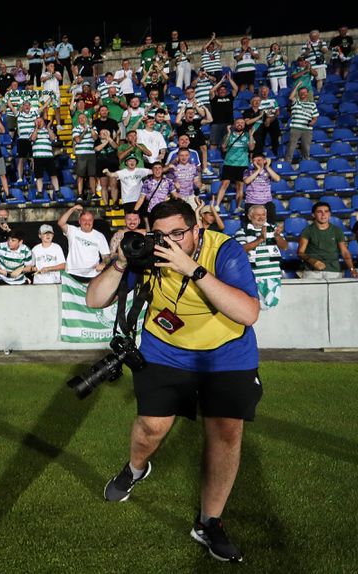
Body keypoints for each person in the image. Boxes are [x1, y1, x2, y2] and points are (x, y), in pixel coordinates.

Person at [88, 199, 261, 563]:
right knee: (151, 426)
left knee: (226, 432)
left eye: (178, 234)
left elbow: (247, 313)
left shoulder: (224, 250)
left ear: (196, 229)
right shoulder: (148, 253)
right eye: (160, 234)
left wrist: (192, 269)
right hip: (165, 348)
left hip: (225, 350)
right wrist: (121, 260)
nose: (169, 242)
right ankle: (135, 469)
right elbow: (95, 299)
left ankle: (209, 522)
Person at [234, 205, 287, 309]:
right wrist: (260, 239)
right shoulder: (242, 231)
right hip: (253, 276)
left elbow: (284, 246)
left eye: (263, 215)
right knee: (253, 307)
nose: (261, 217)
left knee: (271, 307)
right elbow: (242, 249)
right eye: (258, 215)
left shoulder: (273, 229)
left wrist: (277, 236)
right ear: (250, 216)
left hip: (273, 275)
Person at [298, 202, 358, 280]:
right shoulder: (307, 231)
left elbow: (345, 252)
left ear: (330, 214)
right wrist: (313, 261)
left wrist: (352, 270)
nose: (323, 214)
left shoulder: (337, 230)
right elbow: (300, 252)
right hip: (312, 272)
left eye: (326, 211)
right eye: (319, 212)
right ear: (313, 214)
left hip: (333, 271)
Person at [57, 205, 109, 282]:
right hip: (72, 275)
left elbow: (106, 256)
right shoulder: (73, 231)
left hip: (93, 275)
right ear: (79, 221)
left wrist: (103, 263)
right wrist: (73, 209)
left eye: (90, 220)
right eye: (84, 220)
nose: (87, 222)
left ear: (93, 221)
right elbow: (61, 223)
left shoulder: (99, 236)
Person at [214, 119, 256, 211]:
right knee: (224, 183)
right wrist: (229, 133)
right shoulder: (229, 134)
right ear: (234, 125)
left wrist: (251, 134)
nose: (240, 124)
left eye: (242, 123)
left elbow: (251, 148)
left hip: (242, 164)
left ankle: (238, 207)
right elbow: (224, 147)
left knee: (240, 186)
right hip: (229, 163)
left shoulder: (247, 135)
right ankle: (217, 205)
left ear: (244, 125)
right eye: (238, 123)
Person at [241, 154, 280, 223]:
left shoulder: (268, 171)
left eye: (259, 160)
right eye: (254, 161)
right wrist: (258, 170)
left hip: (266, 201)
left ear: (264, 161)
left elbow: (277, 179)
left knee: (271, 221)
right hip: (251, 201)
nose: (257, 162)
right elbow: (247, 181)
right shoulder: (248, 171)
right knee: (250, 223)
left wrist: (267, 167)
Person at [284, 87, 319, 163]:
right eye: (301, 92)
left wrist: (312, 122)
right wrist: (297, 86)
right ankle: (287, 163)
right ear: (298, 94)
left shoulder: (312, 104)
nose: (303, 94)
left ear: (307, 93)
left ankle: (306, 163)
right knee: (291, 147)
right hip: (295, 128)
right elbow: (291, 97)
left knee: (306, 148)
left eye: (304, 92)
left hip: (307, 129)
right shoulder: (296, 102)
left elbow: (315, 117)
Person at [30, 117, 59, 199]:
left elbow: (53, 138)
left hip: (48, 156)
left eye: (40, 121)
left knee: (53, 174)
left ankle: (57, 190)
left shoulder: (48, 131)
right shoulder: (32, 131)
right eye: (37, 121)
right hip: (38, 156)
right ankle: (39, 192)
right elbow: (33, 138)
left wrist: (48, 128)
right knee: (39, 176)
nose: (39, 123)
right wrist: (36, 128)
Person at [71, 113, 97, 200]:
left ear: (86, 119)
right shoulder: (76, 128)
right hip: (81, 154)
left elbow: (95, 137)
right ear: (78, 120)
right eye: (80, 118)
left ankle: (94, 193)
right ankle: (80, 194)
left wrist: (90, 128)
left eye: (83, 118)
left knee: (92, 175)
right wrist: (85, 131)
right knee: (80, 175)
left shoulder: (93, 127)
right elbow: (77, 140)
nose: (81, 119)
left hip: (91, 153)